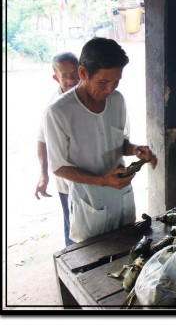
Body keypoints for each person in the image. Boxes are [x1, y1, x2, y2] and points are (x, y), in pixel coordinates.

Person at [44, 37, 157, 243]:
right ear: (83, 73)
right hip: (89, 204)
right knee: (93, 262)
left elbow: (119, 142)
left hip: (122, 198)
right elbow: (59, 167)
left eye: (116, 82)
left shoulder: (117, 100)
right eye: (103, 82)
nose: (109, 90)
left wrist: (135, 150)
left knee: (127, 251)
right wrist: (102, 180)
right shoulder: (59, 112)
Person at [35, 52, 80, 246]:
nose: (70, 79)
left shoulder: (87, 97)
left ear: (82, 71)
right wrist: (44, 174)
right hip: (67, 182)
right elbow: (41, 140)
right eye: (64, 75)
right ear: (56, 78)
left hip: (92, 178)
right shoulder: (53, 108)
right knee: (73, 229)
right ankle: (74, 272)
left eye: (74, 73)